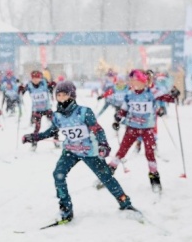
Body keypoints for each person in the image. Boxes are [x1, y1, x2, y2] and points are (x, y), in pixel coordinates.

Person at [21, 81, 137, 223]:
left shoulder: (84, 112)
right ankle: (66, 208)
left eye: (64, 94)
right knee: (58, 175)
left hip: (89, 152)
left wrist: (103, 145)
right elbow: (50, 132)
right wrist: (33, 137)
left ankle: (124, 202)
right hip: (70, 151)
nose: (61, 98)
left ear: (71, 95)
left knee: (106, 177)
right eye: (58, 95)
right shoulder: (57, 116)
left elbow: (98, 130)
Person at [107, 70, 179, 193]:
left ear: (142, 81)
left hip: (147, 129)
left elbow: (167, 98)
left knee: (150, 153)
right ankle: (108, 174)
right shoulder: (129, 94)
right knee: (122, 151)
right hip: (132, 128)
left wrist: (174, 94)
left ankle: (154, 178)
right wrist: (117, 118)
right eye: (131, 80)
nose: (131, 83)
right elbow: (124, 110)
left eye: (134, 80)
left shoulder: (151, 93)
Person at [18, 70, 57, 150]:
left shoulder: (44, 83)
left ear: (40, 78)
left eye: (37, 78)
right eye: (34, 78)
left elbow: (52, 87)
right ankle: (34, 143)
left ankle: (56, 139)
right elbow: (22, 92)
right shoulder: (29, 85)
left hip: (47, 109)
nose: (35, 80)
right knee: (37, 127)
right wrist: (21, 90)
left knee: (55, 124)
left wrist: (53, 85)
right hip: (36, 110)